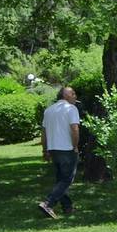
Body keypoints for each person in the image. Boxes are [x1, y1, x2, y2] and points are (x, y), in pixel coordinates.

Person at [39, 86, 81, 219]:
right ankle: (48, 203)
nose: (75, 96)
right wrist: (75, 146)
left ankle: (67, 207)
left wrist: (45, 150)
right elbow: (75, 129)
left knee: (60, 180)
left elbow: (44, 133)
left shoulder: (48, 110)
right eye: (72, 93)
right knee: (66, 180)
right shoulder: (71, 108)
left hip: (53, 149)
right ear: (65, 96)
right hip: (67, 149)